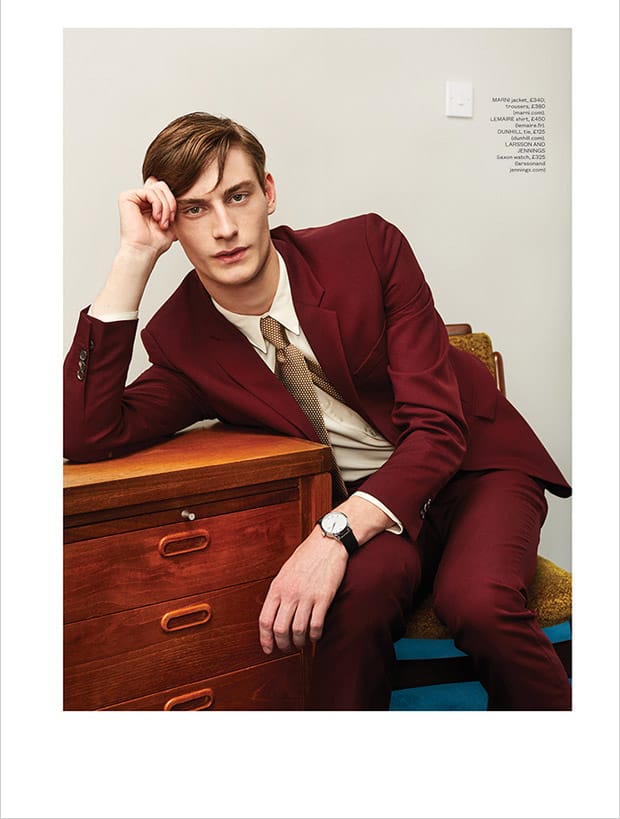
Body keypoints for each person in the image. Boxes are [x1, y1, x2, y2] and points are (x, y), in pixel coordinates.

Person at [64, 111, 572, 710]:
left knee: (477, 601)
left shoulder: (367, 250)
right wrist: (133, 256)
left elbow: (438, 430)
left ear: (269, 193)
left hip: (475, 469)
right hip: (370, 500)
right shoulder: (184, 339)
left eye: (238, 196)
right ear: (171, 223)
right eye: (196, 209)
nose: (225, 228)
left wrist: (332, 534)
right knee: (346, 607)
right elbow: (87, 433)